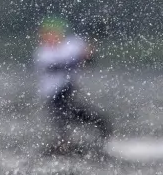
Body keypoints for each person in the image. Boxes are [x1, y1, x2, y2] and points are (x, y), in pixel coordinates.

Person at [34, 17, 110, 153]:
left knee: (98, 120)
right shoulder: (43, 53)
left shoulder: (72, 44)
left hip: (68, 92)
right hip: (54, 97)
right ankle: (64, 146)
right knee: (62, 121)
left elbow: (89, 62)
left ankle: (103, 145)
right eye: (44, 34)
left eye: (50, 33)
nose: (47, 37)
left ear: (59, 33)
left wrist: (90, 51)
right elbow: (58, 66)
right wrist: (79, 58)